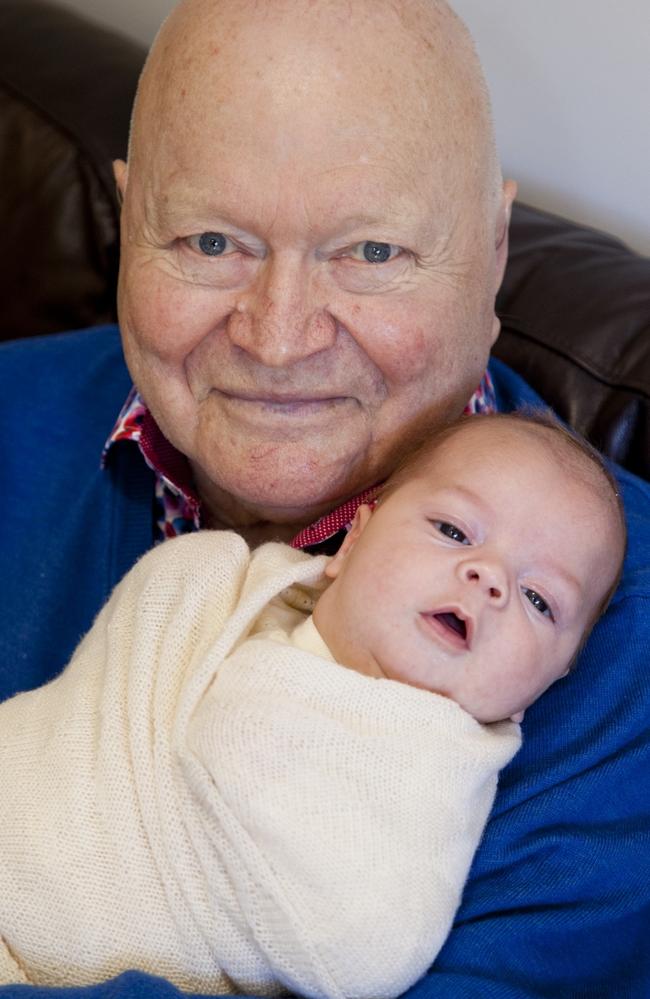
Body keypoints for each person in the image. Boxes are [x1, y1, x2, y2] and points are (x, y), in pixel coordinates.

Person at [0, 0, 648, 996]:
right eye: (212, 242)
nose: (277, 337)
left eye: (370, 252)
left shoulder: (621, 641)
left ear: (492, 256)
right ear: (130, 225)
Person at [0, 412, 625, 997]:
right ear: (352, 542)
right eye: (453, 530)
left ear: (550, 682)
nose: (488, 578)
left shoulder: (430, 773)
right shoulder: (231, 591)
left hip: (47, 938)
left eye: (539, 600)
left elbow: (366, 952)